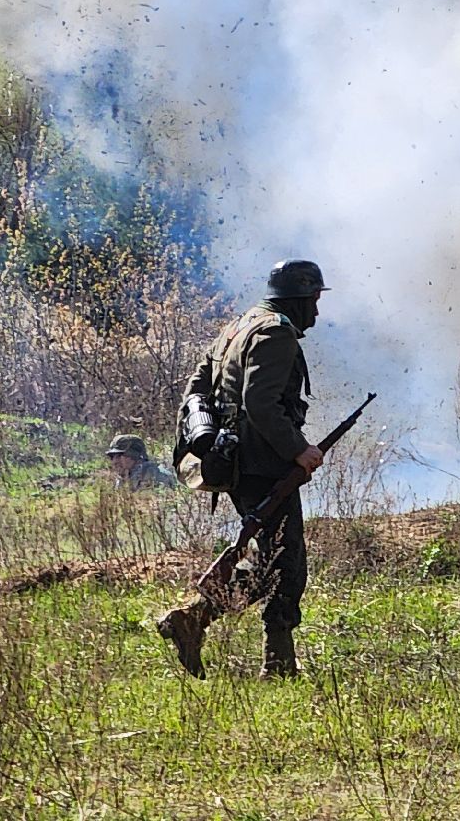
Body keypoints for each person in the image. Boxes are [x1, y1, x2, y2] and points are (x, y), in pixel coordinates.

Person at [156, 258, 328, 679]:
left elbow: (197, 386)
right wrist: (299, 450)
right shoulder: (275, 333)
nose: (317, 312)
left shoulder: (239, 326)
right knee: (284, 565)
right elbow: (260, 403)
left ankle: (199, 620)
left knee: (271, 558)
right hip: (263, 464)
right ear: (299, 299)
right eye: (313, 300)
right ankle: (272, 662)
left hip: (236, 461)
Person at [106, 434, 176, 490]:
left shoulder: (158, 476)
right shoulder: (123, 479)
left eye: (119, 456)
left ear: (134, 456)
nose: (114, 462)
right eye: (112, 457)